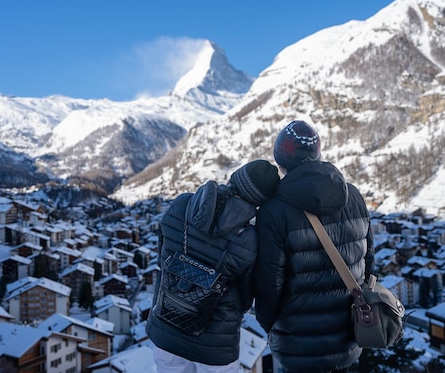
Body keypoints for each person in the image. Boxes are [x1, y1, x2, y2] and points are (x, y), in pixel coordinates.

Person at [254, 120, 375, 373]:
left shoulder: (274, 210)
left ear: (280, 161)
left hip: (298, 343)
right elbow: (369, 262)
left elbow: (269, 282)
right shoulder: (352, 195)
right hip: (348, 337)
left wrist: (269, 325)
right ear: (317, 154)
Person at [146, 159, 280, 373]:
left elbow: (163, 257)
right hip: (216, 345)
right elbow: (246, 298)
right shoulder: (250, 239)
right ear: (260, 201)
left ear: (235, 176)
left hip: (167, 328)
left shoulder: (182, 205)